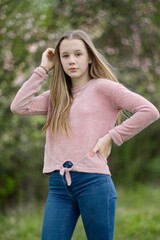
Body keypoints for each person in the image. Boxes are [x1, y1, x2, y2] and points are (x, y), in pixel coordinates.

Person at [10, 29, 159, 240]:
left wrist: (112, 136)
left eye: (78, 54)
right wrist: (43, 68)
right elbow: (18, 106)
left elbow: (149, 111)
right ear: (59, 61)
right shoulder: (55, 96)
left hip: (94, 183)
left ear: (89, 57)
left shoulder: (105, 88)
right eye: (65, 56)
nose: (72, 60)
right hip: (58, 186)